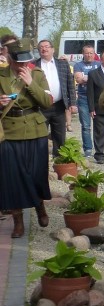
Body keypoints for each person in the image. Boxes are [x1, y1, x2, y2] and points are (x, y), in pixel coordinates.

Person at [0, 39, 53, 236]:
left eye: (26, 61)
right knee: (12, 177)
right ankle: (18, 220)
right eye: (18, 62)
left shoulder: (37, 74)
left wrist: (30, 83)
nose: (23, 66)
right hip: (9, 133)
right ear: (9, 58)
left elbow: (47, 102)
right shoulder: (1, 75)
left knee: (36, 174)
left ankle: (39, 205)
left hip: (35, 131)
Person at [36, 39, 76, 156]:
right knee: (40, 135)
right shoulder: (34, 65)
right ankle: (40, 162)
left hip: (59, 106)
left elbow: (70, 84)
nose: (44, 49)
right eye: (41, 47)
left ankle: (59, 161)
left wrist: (72, 103)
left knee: (60, 136)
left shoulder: (63, 64)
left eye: (47, 46)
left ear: (53, 49)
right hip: (40, 107)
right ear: (39, 51)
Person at [72, 45, 99, 157]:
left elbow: (102, 79)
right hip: (83, 97)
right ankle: (88, 149)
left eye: (91, 53)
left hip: (97, 98)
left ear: (94, 54)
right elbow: (79, 79)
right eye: (87, 53)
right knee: (86, 126)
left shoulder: (99, 64)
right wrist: (94, 79)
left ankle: (99, 149)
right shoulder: (78, 65)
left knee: (99, 125)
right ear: (83, 54)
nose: (89, 55)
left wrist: (87, 78)